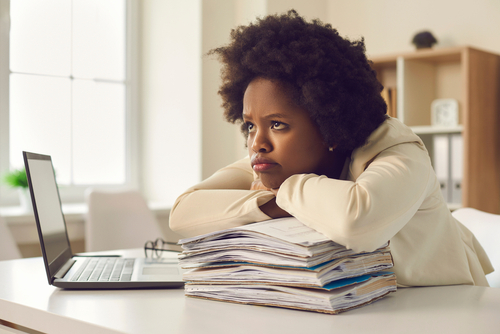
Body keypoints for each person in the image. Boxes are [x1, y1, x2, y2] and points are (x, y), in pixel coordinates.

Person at [169, 10, 492, 287]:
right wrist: (273, 204)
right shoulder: (272, 158)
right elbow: (183, 213)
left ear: (329, 124)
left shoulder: (399, 152)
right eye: (251, 125)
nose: (257, 143)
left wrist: (285, 193)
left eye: (278, 124)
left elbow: (357, 221)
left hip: (452, 312)